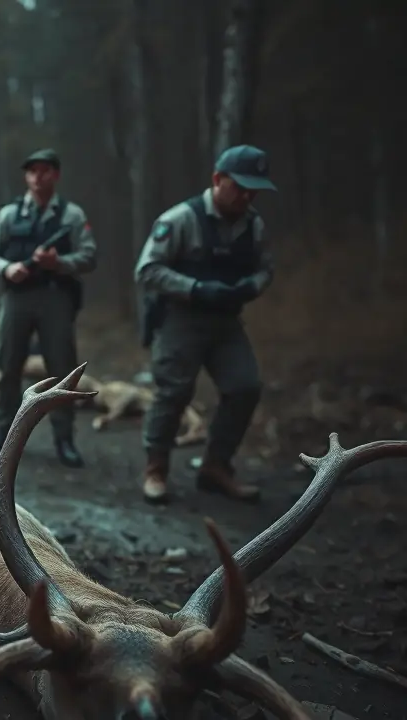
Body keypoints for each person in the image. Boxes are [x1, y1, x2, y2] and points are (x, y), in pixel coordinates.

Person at [134, 144, 276, 504]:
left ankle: (216, 466)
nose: (246, 196)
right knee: (174, 391)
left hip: (226, 321)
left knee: (245, 386)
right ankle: (156, 468)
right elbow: (147, 270)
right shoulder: (181, 219)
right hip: (182, 318)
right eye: (239, 187)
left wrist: (251, 286)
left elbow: (266, 268)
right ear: (217, 179)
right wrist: (195, 288)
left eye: (254, 190)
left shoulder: (254, 225)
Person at [0, 148, 97, 468]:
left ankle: (64, 438)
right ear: (26, 177)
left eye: (44, 171)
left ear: (55, 175)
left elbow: (89, 257)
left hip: (55, 298)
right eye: (32, 171)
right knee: (8, 368)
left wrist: (59, 263)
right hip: (16, 298)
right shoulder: (8, 215)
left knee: (60, 369)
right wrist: (7, 268)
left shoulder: (72, 215)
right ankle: (1, 434)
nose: (37, 177)